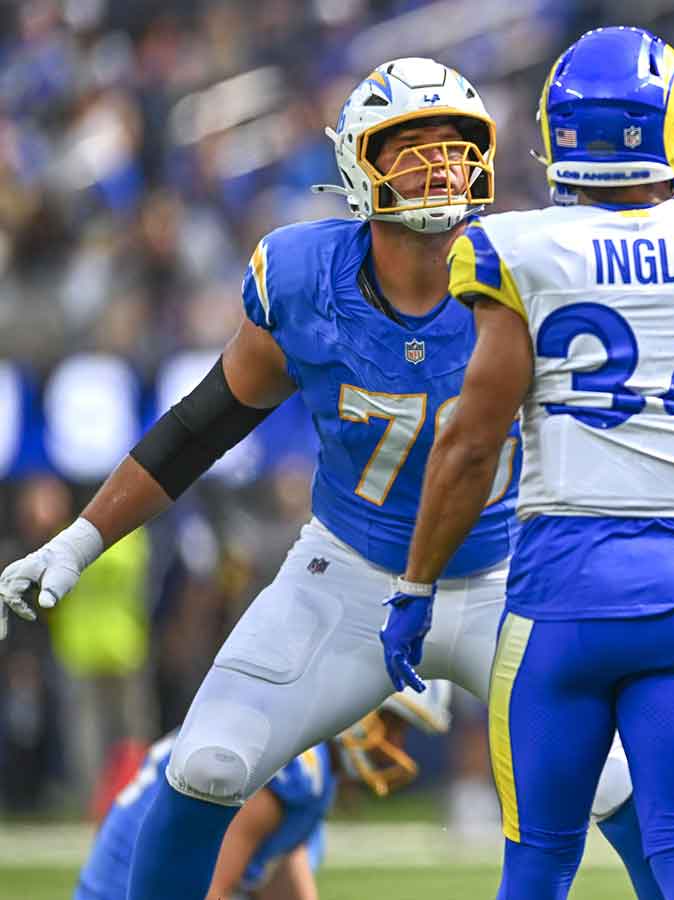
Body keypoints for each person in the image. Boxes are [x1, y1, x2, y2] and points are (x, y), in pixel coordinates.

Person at [0, 57, 517, 900]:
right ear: (359, 165)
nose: (440, 165)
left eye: (455, 146)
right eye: (410, 146)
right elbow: (202, 426)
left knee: (620, 792)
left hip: (507, 574)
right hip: (353, 573)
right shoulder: (304, 278)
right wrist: (82, 537)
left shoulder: (527, 270)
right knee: (207, 764)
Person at [381, 26, 674, 900]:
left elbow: (471, 445)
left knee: (540, 863)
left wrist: (418, 585)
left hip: (560, 596)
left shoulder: (517, 247)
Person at [75, 685, 451, 900]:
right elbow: (209, 892)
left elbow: (281, 878)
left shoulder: (306, 758)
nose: (396, 743)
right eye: (391, 723)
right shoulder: (291, 768)